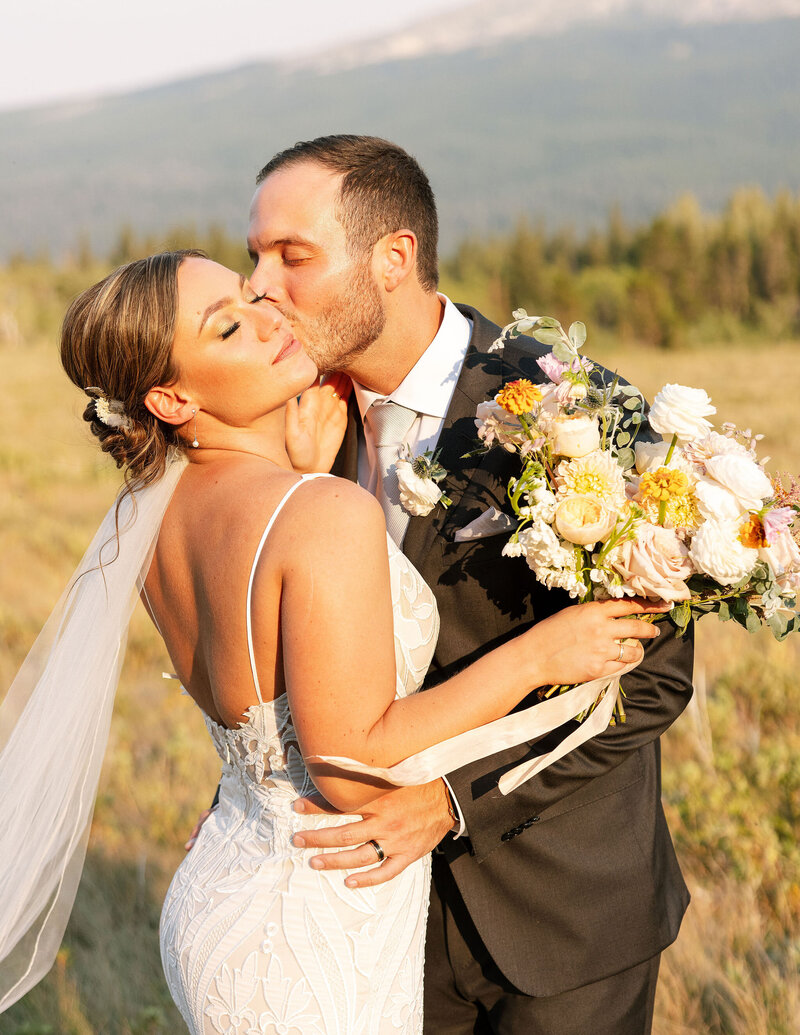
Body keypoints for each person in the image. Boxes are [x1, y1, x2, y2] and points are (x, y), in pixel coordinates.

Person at [0, 250, 664, 1033]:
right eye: (230, 327)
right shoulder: (317, 513)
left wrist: (297, 468)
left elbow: (256, 651)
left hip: (227, 887)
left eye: (252, 299)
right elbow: (352, 766)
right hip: (316, 922)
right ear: (172, 396)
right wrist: (540, 655)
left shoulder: (145, 512)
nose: (270, 321)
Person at [240, 134, 696, 1034]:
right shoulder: (294, 417)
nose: (259, 284)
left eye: (293, 256)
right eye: (253, 256)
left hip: (564, 918)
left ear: (394, 258)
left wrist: (447, 802)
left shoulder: (570, 407)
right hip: (378, 915)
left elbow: (650, 681)